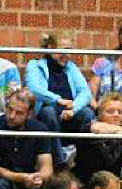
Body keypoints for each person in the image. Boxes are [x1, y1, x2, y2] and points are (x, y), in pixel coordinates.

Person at [25, 31, 95, 165]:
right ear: (51, 48)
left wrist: (73, 109)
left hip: (68, 112)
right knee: (49, 112)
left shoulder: (71, 68)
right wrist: (57, 100)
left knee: (87, 113)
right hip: (46, 115)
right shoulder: (35, 65)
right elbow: (33, 89)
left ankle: (83, 163)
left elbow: (85, 93)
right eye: (63, 50)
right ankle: (59, 162)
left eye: (69, 51)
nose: (67, 55)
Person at [0, 88, 53, 189]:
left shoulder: (39, 129)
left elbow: (47, 168)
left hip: (31, 178)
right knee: (2, 186)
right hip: (5, 179)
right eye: (10, 109)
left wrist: (37, 177)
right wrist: (23, 178)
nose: (12, 116)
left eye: (19, 113)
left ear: (29, 114)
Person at [76, 92, 122, 185]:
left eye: (120, 112)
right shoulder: (90, 126)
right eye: (110, 111)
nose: (116, 115)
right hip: (87, 183)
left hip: (113, 182)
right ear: (100, 113)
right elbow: (96, 128)